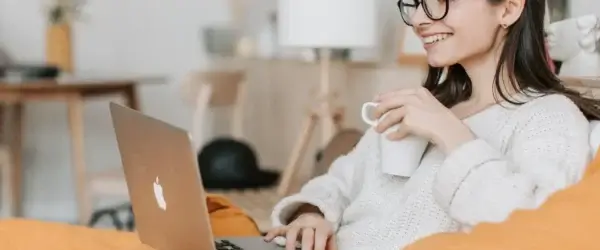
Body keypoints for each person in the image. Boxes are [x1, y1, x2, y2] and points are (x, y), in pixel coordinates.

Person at [264, 0, 599, 249]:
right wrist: (311, 214)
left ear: (508, 8)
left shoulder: (548, 116)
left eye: (441, 2)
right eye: (416, 3)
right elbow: (336, 183)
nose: (420, 20)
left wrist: (451, 134)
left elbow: (530, 231)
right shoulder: (425, 103)